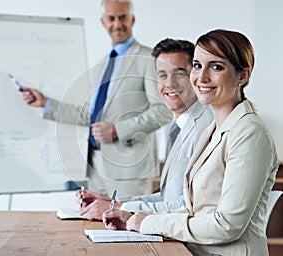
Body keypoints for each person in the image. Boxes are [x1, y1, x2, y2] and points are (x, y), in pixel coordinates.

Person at [103, 29, 279, 256]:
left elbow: (227, 225)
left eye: (216, 67)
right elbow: (192, 207)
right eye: (197, 65)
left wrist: (147, 224)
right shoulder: (211, 131)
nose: (201, 77)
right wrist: (133, 218)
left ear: (242, 76)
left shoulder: (250, 134)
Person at [21, 0, 172, 197]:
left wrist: (118, 130)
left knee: (128, 225)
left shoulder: (148, 58)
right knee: (94, 224)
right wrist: (45, 103)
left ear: (132, 19)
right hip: (95, 167)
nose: (117, 24)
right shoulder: (101, 65)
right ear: (103, 22)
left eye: (122, 17)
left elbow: (163, 111)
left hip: (129, 171)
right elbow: (91, 115)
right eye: (111, 18)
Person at [76, 38, 213, 220]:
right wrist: (112, 202)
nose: (170, 83)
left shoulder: (206, 128)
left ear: (195, 75)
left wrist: (118, 206)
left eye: (179, 73)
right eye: (162, 75)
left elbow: (186, 207)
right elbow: (168, 199)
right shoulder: (177, 127)